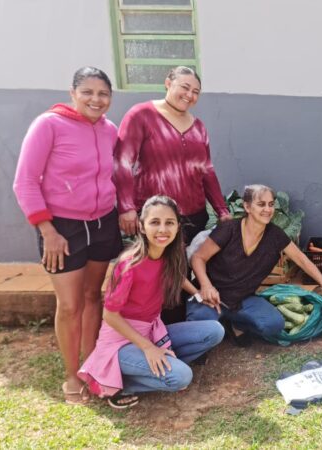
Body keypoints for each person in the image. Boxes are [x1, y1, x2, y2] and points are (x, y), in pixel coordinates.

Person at [13, 67, 123, 405]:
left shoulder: (110, 131)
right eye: (88, 92)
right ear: (72, 93)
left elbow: (117, 174)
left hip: (103, 222)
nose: (96, 99)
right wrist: (47, 230)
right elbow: (25, 181)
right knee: (70, 304)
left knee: (94, 297)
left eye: (103, 94)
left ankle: (91, 366)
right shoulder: (48, 125)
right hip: (63, 227)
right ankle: (72, 376)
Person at [78, 196, 224, 408]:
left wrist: (200, 294)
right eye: (155, 222)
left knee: (215, 330)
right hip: (120, 342)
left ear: (177, 227)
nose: (162, 229)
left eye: (169, 223)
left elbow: (176, 276)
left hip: (152, 330)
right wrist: (148, 348)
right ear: (142, 227)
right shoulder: (129, 264)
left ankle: (160, 364)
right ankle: (117, 384)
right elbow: (110, 315)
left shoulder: (167, 255)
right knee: (182, 377)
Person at [113, 66, 231, 323]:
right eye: (184, 87)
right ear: (168, 83)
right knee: (156, 275)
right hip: (156, 218)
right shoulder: (142, 114)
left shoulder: (198, 127)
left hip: (192, 216)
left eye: (196, 92)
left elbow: (207, 171)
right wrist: (126, 207)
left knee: (183, 273)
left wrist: (222, 210)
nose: (189, 95)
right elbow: (121, 162)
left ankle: (182, 332)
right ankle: (153, 332)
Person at [187, 184, 322, 346]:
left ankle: (236, 323)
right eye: (261, 204)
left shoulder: (275, 235)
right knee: (201, 325)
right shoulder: (229, 229)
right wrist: (206, 286)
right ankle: (218, 323)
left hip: (242, 300)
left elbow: (301, 259)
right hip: (212, 296)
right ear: (247, 206)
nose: (267, 209)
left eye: (271, 204)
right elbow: (198, 257)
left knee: (274, 325)